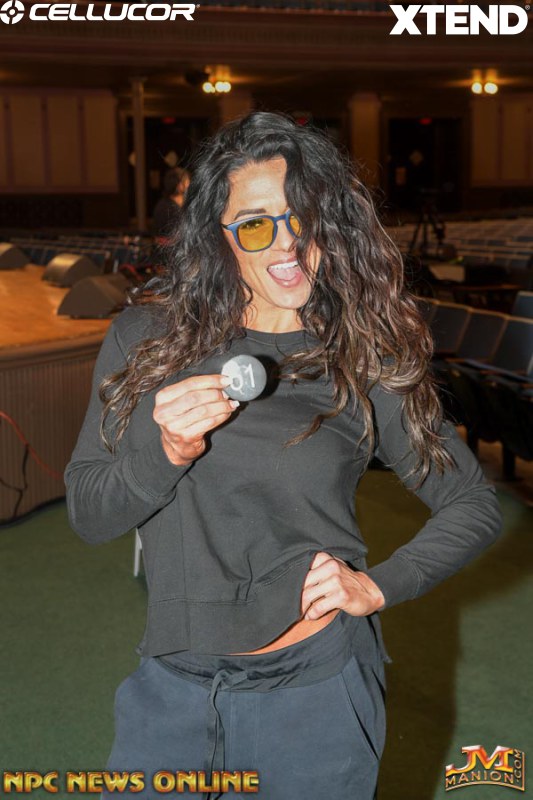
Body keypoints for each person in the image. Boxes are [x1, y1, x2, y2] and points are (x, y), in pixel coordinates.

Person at [64, 111, 502, 800]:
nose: (287, 241)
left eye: (304, 216)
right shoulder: (147, 339)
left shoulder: (361, 354)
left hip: (313, 697)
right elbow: (90, 515)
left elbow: (471, 501)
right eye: (256, 224)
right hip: (172, 691)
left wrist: (380, 585)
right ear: (219, 235)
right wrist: (166, 451)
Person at [151, 166, 191, 240]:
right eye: (186, 181)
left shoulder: (184, 204)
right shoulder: (165, 208)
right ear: (179, 185)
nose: (189, 184)